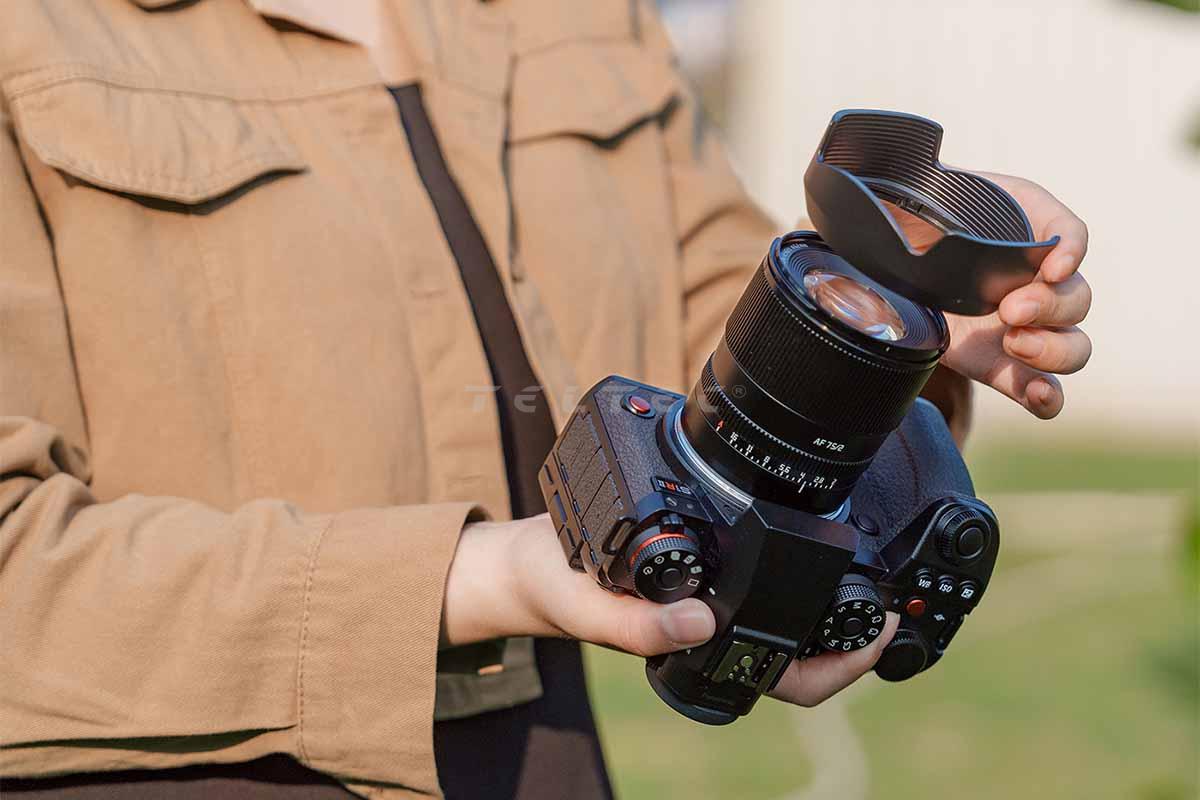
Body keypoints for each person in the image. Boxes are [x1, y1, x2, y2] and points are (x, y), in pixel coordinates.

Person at [0, 1, 1091, 798]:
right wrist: (486, 574)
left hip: (546, 761)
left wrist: (907, 312)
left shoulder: (577, 14)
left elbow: (720, 349)